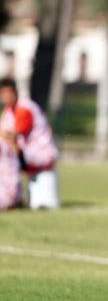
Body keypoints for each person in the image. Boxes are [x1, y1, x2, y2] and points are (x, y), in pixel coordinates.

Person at [0, 78, 59, 209]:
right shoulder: (9, 111)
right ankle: (14, 195)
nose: (6, 97)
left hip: (42, 153)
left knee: (6, 153)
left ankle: (12, 196)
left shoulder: (24, 108)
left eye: (8, 93)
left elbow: (13, 136)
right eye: (3, 94)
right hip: (29, 156)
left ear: (15, 92)